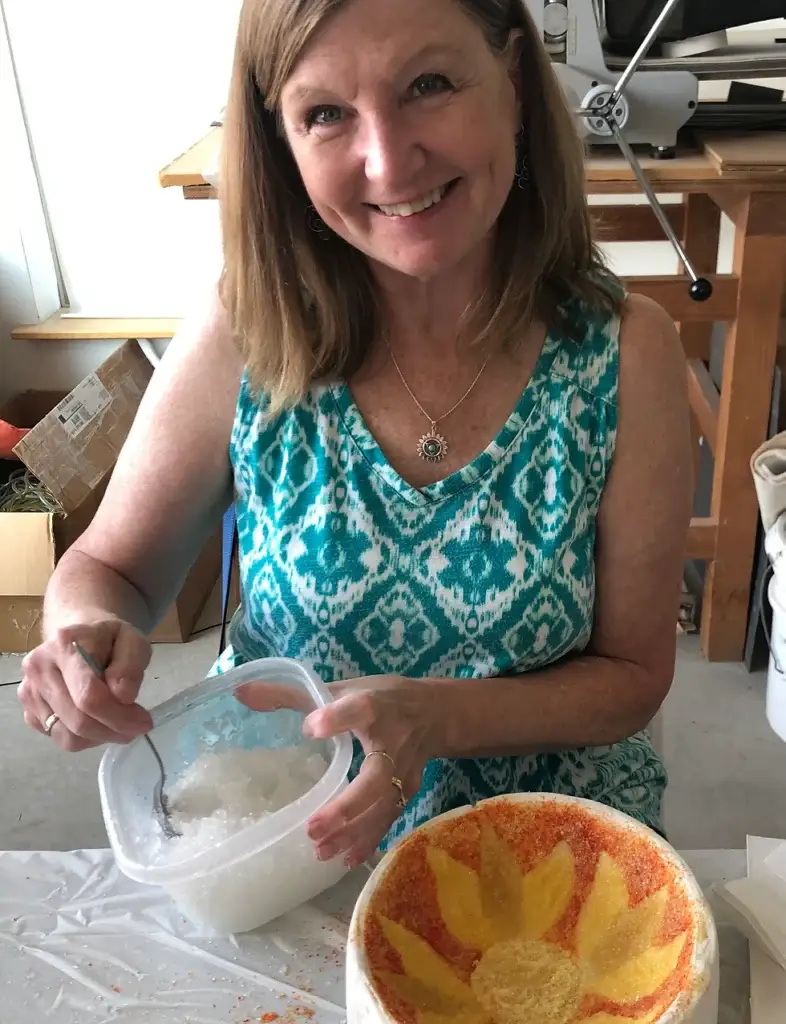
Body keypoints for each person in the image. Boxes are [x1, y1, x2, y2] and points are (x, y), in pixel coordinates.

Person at [18, 0, 691, 869]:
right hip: (287, 830)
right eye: (327, 113)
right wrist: (82, 637)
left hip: (543, 846)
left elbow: (631, 679)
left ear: (515, 82)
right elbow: (113, 570)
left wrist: (434, 719)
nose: (388, 160)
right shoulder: (246, 333)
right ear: (281, 140)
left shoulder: (626, 354)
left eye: (429, 84)